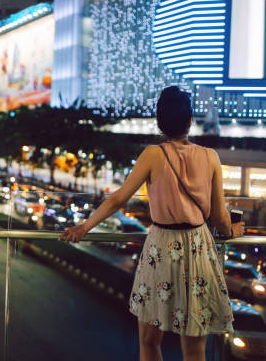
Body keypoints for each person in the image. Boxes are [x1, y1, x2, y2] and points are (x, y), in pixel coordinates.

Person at [59, 86, 244, 361]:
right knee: (195, 348)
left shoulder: (152, 154)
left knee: (149, 341)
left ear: (160, 122)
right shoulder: (210, 157)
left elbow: (118, 199)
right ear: (190, 121)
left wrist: (84, 227)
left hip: (162, 249)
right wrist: (232, 231)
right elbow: (219, 216)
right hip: (198, 247)